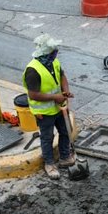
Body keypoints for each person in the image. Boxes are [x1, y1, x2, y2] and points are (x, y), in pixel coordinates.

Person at [24, 34, 75, 179]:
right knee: (47, 137)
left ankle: (65, 157)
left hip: (59, 107)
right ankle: (49, 164)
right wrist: (55, 97)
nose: (55, 54)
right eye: (53, 52)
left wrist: (65, 91)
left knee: (66, 130)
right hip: (44, 112)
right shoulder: (33, 71)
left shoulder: (54, 62)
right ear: (46, 53)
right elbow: (33, 94)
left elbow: (62, 76)